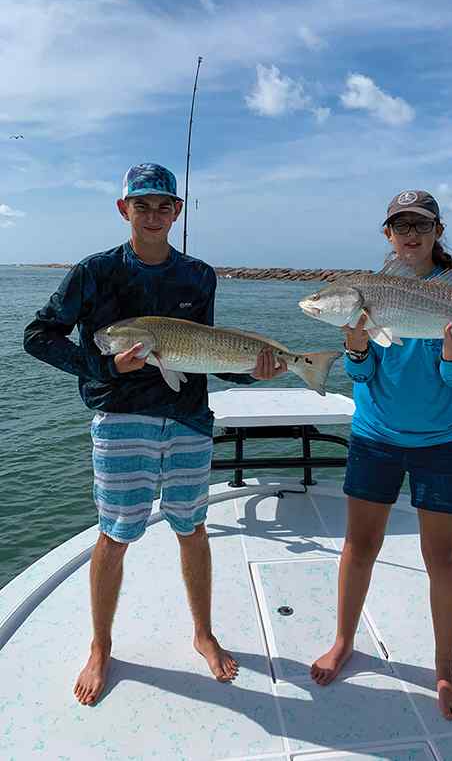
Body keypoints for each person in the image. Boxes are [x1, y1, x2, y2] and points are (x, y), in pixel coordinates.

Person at [23, 163, 287, 706]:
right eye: (141, 205)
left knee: (192, 527)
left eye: (163, 205)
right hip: (121, 418)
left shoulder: (199, 276)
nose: (152, 215)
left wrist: (251, 372)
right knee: (115, 534)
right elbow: (38, 336)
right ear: (124, 209)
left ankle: (203, 634)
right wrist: (106, 368)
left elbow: (206, 352)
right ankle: (101, 645)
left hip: (188, 418)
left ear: (177, 212)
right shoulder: (93, 272)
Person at [310, 189, 452, 721]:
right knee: (359, 544)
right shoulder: (370, 292)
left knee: (444, 557)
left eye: (421, 225)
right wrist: (355, 346)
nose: (411, 234)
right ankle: (344, 641)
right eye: (400, 226)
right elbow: (361, 375)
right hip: (376, 436)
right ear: (387, 234)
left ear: (438, 231)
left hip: (442, 442)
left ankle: (444, 669)